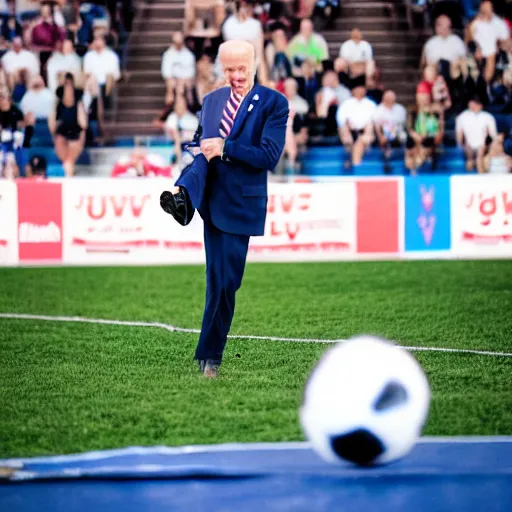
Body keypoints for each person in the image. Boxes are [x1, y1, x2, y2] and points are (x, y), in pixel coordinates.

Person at [160, 40, 288, 378]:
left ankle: (182, 199)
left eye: (241, 69)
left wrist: (226, 148)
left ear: (255, 65)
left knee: (226, 283)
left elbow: (269, 156)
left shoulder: (274, 103)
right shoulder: (211, 100)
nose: (234, 76)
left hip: (241, 205)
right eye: (228, 69)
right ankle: (211, 358)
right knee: (215, 279)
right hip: (212, 198)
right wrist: (205, 146)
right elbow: (201, 143)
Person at [48, 72, 87, 177]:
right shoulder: (57, 103)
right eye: (66, 84)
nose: (68, 88)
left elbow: (83, 124)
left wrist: (82, 136)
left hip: (75, 132)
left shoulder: (79, 102)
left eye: (70, 85)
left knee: (71, 153)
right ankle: (68, 173)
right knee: (63, 149)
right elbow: (52, 123)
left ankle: (69, 174)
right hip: (61, 132)